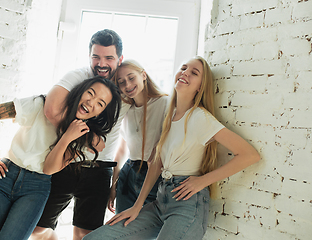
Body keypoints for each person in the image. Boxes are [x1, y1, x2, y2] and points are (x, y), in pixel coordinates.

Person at [83, 56, 261, 240]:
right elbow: (157, 162)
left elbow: (249, 155)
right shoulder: (171, 115)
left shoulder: (200, 117)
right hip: (161, 200)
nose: (185, 73)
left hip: (187, 204)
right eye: (183, 68)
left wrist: (202, 181)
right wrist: (137, 206)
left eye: (194, 72)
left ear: (200, 86)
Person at [0, 76, 121, 240]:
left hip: (36, 187)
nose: (91, 102)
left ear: (101, 113)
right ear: (80, 91)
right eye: (90, 93)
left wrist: (67, 137)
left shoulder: (83, 136)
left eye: (100, 103)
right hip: (2, 177)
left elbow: (49, 168)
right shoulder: (40, 105)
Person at [30, 29, 129, 240]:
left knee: (85, 234)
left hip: (100, 170)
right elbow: (51, 111)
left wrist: (115, 180)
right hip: (67, 161)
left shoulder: (127, 85)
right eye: (96, 57)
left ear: (120, 59)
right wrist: (87, 138)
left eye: (109, 58)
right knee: (38, 229)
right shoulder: (79, 76)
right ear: (89, 56)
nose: (101, 63)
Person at [107, 60, 168, 214]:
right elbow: (121, 150)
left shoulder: (165, 103)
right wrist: (113, 185)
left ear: (143, 75)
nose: (127, 85)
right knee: (122, 229)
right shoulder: (126, 110)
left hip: (154, 174)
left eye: (131, 78)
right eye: (121, 82)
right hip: (128, 174)